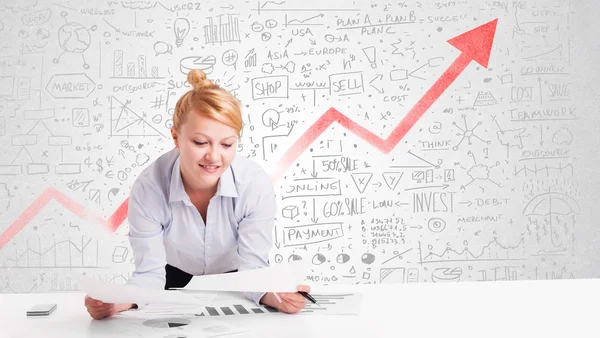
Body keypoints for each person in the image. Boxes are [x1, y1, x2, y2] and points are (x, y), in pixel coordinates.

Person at [84, 69, 309, 320]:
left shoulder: (253, 184)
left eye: (227, 144)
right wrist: (117, 303)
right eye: (200, 142)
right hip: (174, 282)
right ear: (176, 137)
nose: (214, 157)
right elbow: (149, 274)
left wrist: (279, 296)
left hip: (237, 281)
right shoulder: (149, 187)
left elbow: (253, 269)